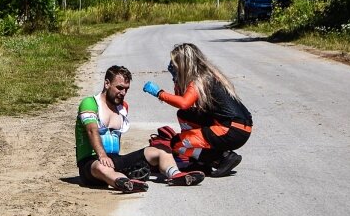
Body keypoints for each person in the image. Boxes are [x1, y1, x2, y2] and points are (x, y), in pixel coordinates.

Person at [76, 65, 205, 192]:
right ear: (107, 83)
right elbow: (92, 130)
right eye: (119, 88)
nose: (123, 93)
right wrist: (102, 155)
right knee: (101, 167)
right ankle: (124, 182)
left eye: (126, 89)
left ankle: (176, 175)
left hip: (114, 160)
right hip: (91, 163)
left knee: (161, 149)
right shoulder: (89, 103)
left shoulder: (123, 107)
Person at [143, 43, 252, 178]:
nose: (172, 67)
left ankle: (221, 158)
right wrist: (176, 80)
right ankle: (200, 162)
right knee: (184, 115)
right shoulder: (207, 75)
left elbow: (183, 103)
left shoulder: (199, 79)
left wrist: (159, 93)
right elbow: (184, 107)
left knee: (177, 144)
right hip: (236, 126)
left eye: (175, 64)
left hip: (231, 130)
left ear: (184, 64)